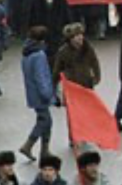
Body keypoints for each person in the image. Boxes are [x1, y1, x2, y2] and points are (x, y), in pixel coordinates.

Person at [20, 25, 54, 160]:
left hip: (32, 93)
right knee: (44, 121)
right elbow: (41, 77)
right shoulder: (39, 55)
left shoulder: (26, 53)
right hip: (40, 95)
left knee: (47, 121)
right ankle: (28, 145)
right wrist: (48, 94)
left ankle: (44, 149)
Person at [52, 22, 99, 89]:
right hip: (71, 85)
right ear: (71, 38)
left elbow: (95, 63)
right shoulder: (63, 51)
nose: (80, 37)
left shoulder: (87, 48)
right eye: (77, 35)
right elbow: (57, 70)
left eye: (81, 34)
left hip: (86, 83)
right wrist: (54, 84)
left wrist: (96, 78)